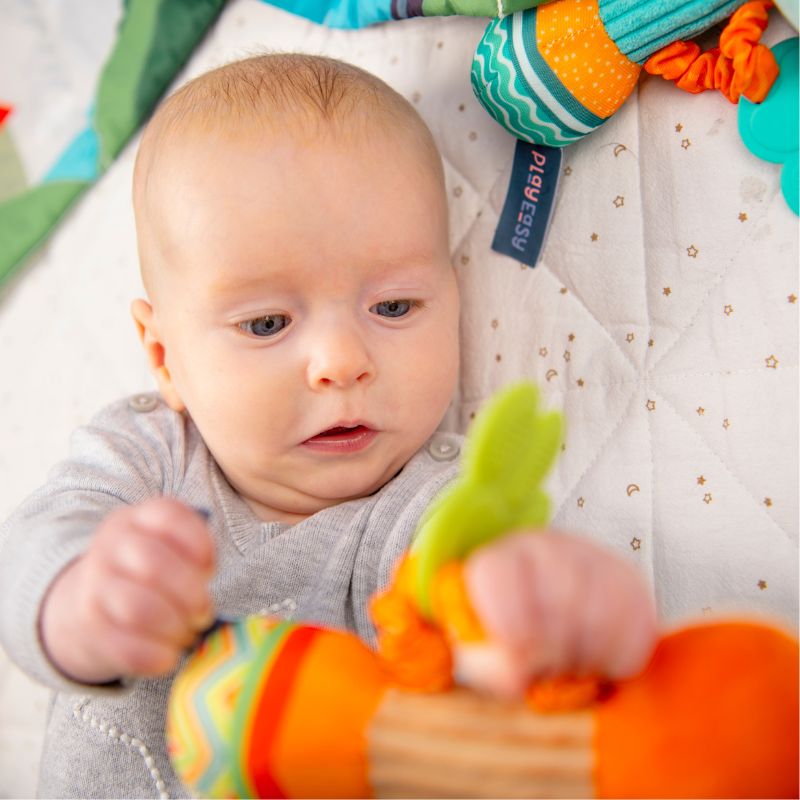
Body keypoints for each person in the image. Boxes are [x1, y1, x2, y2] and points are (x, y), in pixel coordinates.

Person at [0, 53, 656, 798]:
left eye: (394, 307)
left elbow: (466, 600)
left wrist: (534, 606)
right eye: (267, 323)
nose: (342, 363)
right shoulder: (144, 457)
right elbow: (32, 543)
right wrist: (77, 597)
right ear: (163, 357)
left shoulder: (425, 510)